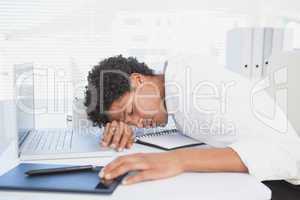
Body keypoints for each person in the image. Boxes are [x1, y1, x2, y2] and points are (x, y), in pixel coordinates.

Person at [84, 54, 300, 185]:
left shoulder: (193, 92)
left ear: (138, 80)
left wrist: (178, 160)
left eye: (131, 111)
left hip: (282, 185)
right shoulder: (173, 82)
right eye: (128, 120)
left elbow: (282, 152)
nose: (137, 122)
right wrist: (125, 126)